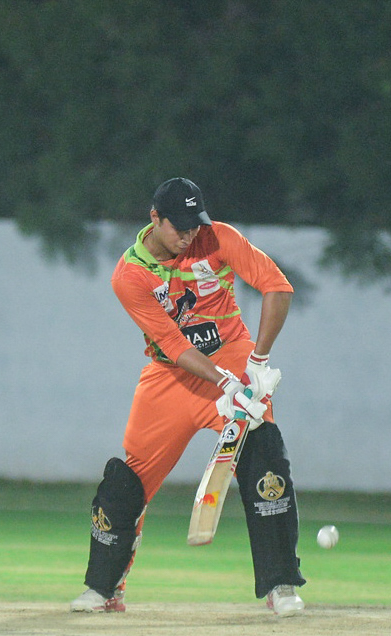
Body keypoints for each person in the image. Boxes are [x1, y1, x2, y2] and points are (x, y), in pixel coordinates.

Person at [70, 178, 306, 616]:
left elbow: (278, 287)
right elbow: (174, 345)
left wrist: (256, 363)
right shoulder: (129, 276)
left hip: (233, 355)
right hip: (171, 376)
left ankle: (281, 584)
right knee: (126, 480)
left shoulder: (218, 237)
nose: (189, 234)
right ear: (154, 218)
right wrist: (226, 384)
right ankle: (105, 588)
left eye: (194, 224)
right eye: (178, 226)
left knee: (266, 458)